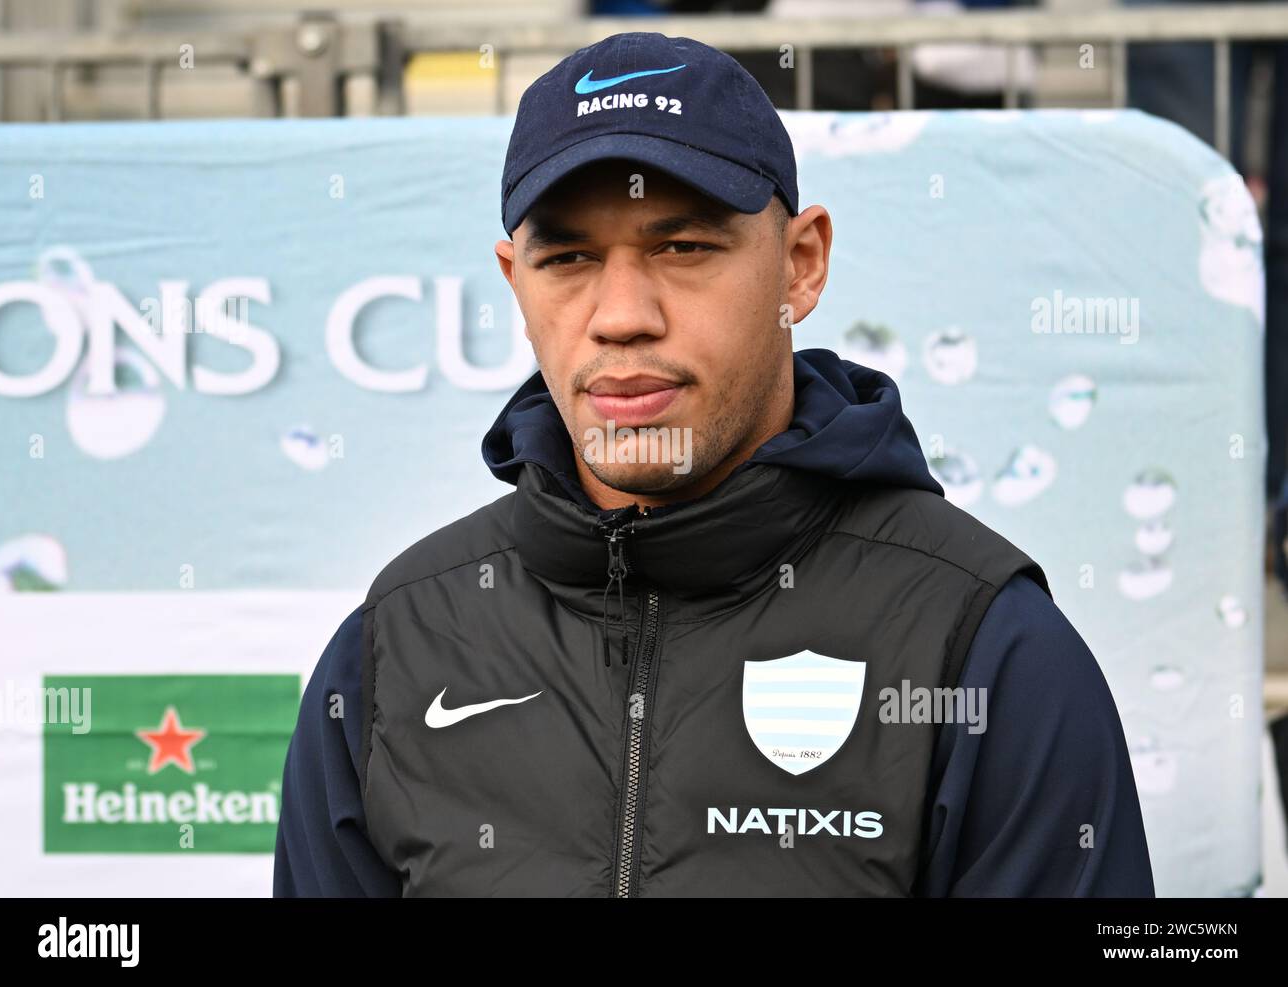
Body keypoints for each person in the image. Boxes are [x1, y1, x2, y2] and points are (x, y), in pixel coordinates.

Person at [274, 31, 1154, 897]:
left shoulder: (985, 647)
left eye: (682, 247)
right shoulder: (394, 650)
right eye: (569, 257)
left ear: (800, 266)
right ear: (516, 281)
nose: (621, 315)